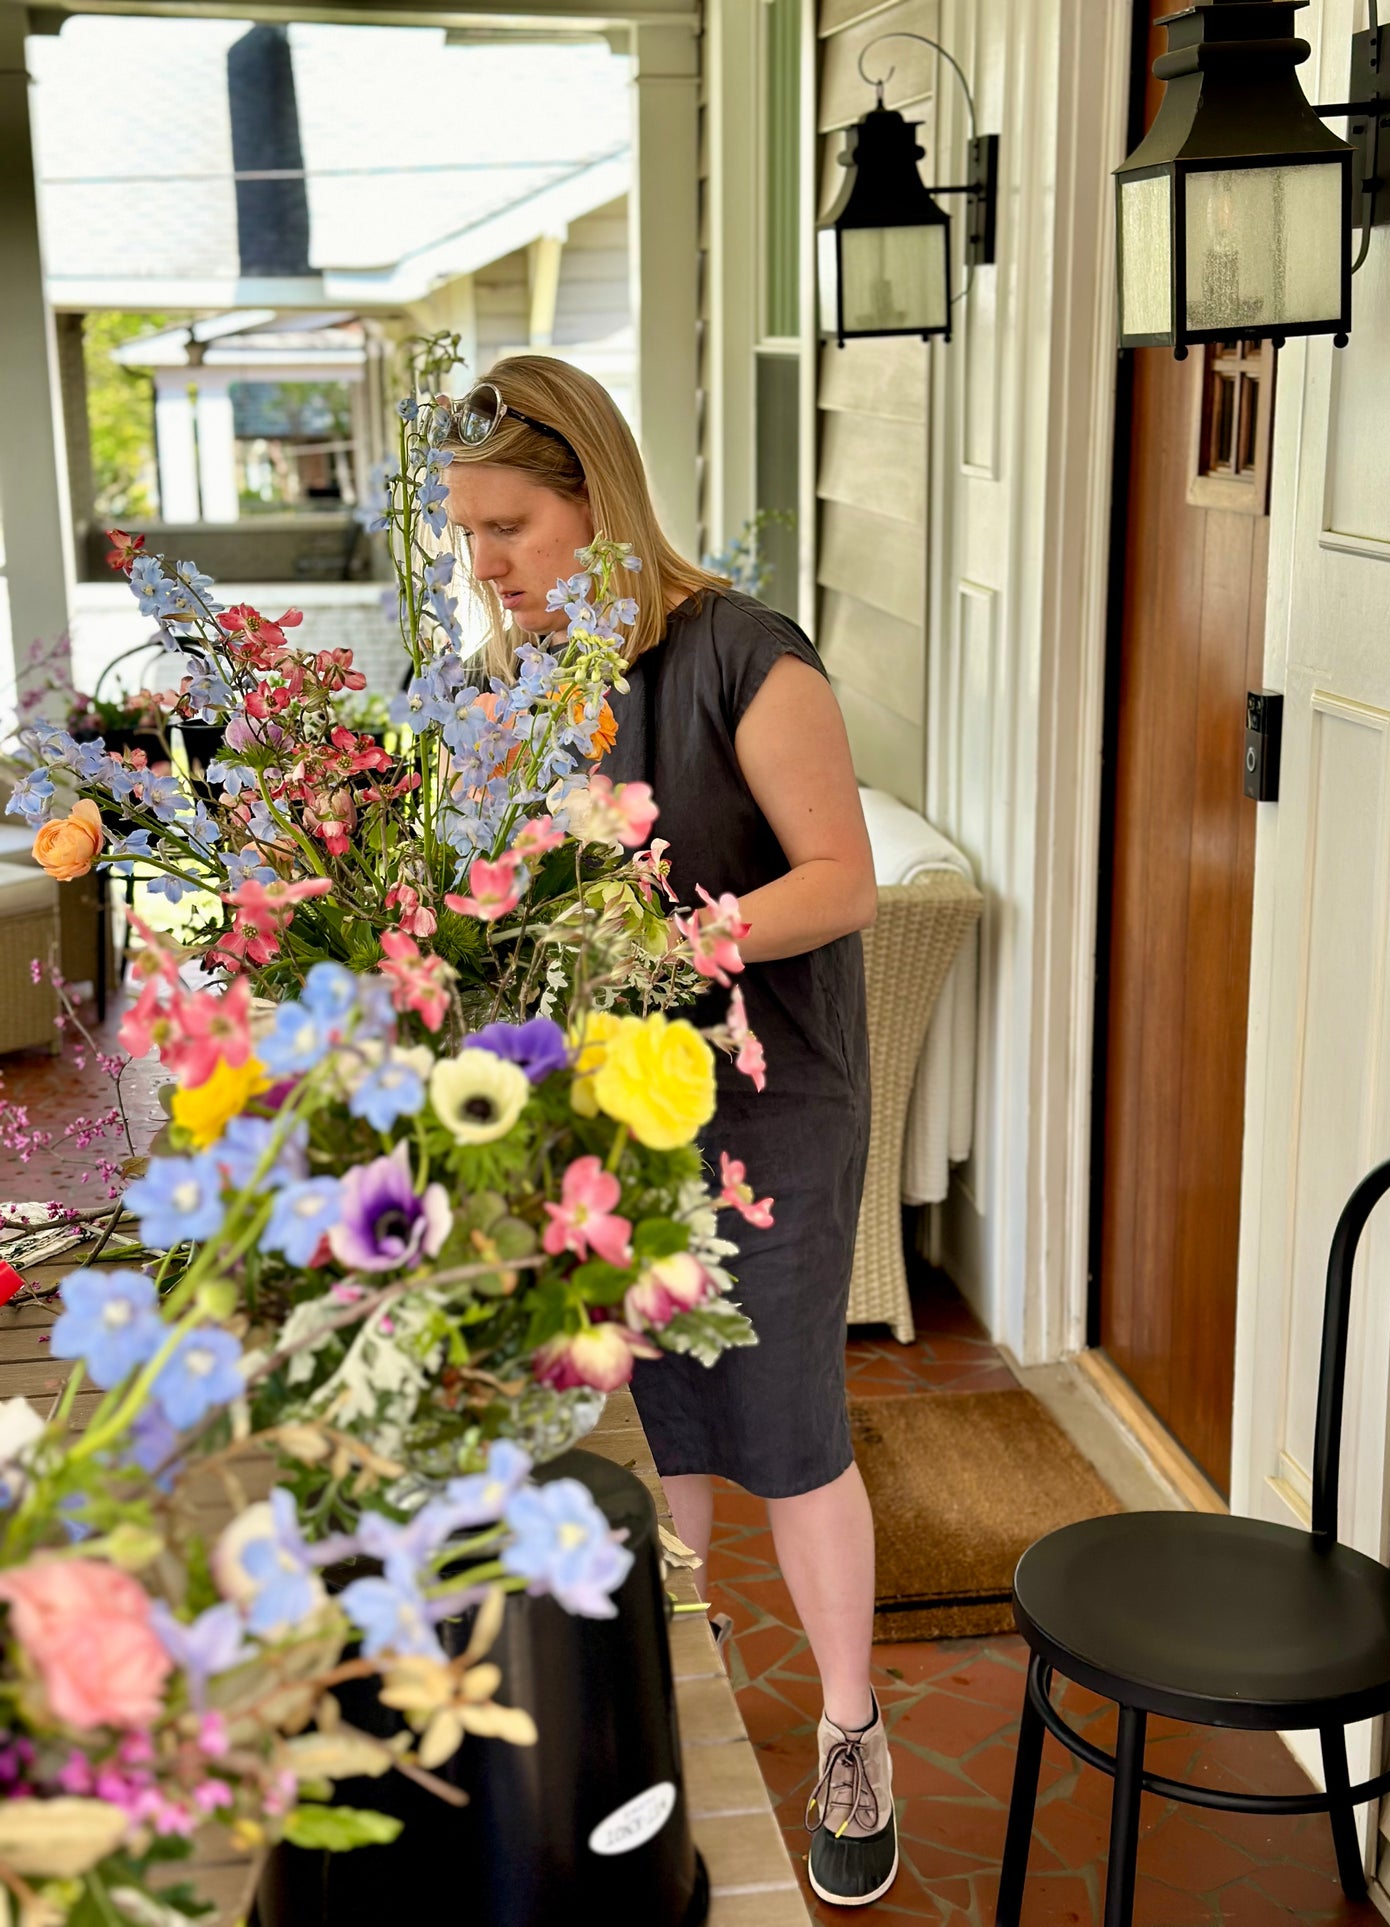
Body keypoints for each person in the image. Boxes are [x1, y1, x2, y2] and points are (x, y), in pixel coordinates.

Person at [440, 357, 893, 1908]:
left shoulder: (740, 657)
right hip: (599, 1105)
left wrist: (669, 941)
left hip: (767, 1102)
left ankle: (852, 1731)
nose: (484, 562)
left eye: (508, 524)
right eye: (465, 533)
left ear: (596, 502)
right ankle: (682, 1714)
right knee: (648, 1415)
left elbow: (838, 878)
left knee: (786, 1423)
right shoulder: (514, 685)